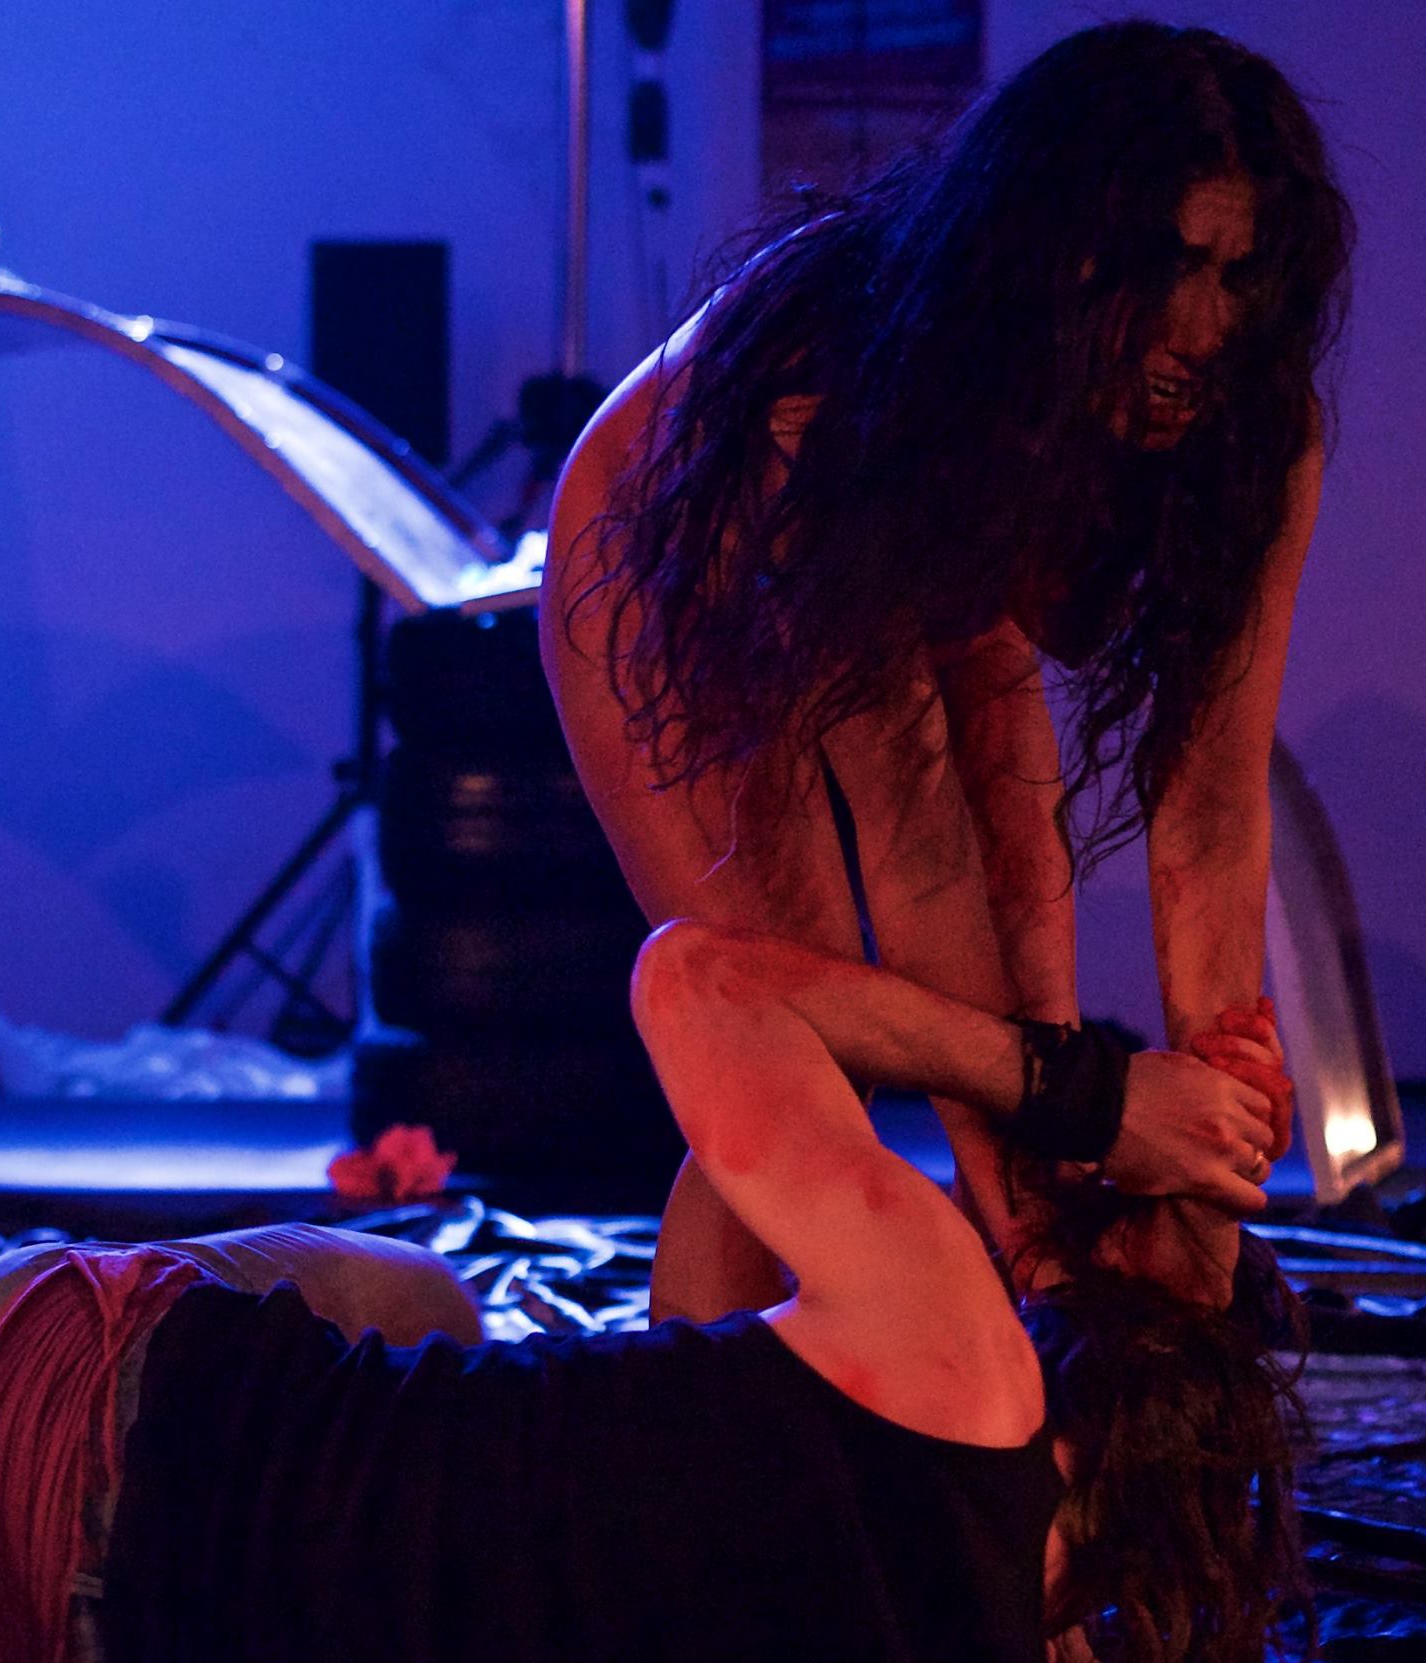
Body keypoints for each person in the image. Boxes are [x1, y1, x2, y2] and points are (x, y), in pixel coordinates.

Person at [0, 921, 1302, 1663]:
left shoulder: (962, 1363)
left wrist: (1081, 1098)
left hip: (26, 1417)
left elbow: (696, 981)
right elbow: (708, 1278)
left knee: (429, 1303)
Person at [539, 20, 1351, 1321]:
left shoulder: (1259, 432)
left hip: (928, 583)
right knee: (800, 1043)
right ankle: (693, 1410)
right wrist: (1061, 1186)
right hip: (667, 558)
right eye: (1169, 267)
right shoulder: (846, 394)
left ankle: (1034, 1314)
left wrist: (1215, 1126)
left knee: (1029, 979)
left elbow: (1210, 806)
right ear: (1063, 254)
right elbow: (914, 845)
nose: (1206, 328)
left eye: (1238, 275)